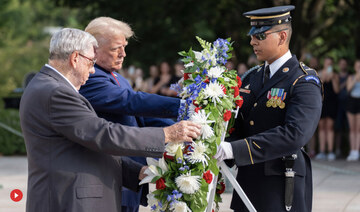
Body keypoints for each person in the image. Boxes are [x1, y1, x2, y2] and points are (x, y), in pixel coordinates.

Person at [19, 28, 201, 212]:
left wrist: (136, 172)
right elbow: (103, 134)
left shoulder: (50, 87)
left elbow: (85, 145)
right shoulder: (56, 92)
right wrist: (167, 134)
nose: (92, 70)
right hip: (69, 201)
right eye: (91, 62)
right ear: (75, 58)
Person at [215, 5, 322, 212]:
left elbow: (295, 134)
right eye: (253, 36)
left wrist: (233, 149)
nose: (252, 41)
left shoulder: (303, 80)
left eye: (260, 36)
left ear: (282, 37)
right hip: (247, 183)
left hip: (281, 185)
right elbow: (241, 124)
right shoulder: (252, 77)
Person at [79, 17, 183, 212]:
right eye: (115, 49)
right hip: (110, 178)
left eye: (124, 47)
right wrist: (184, 105)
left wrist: (185, 126)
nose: (123, 54)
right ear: (93, 49)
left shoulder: (116, 76)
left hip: (129, 178)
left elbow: (143, 118)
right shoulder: (91, 78)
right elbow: (131, 102)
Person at [316, 57, 339, 161]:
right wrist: (323, 78)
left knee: (329, 127)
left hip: (331, 103)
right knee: (321, 127)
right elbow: (318, 89)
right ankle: (321, 151)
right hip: (321, 102)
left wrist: (333, 78)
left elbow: (337, 90)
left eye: (330, 64)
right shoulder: (318, 74)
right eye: (326, 63)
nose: (328, 65)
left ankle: (330, 151)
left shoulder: (335, 75)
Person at [346, 59, 360, 161]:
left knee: (358, 129)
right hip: (351, 102)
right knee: (352, 128)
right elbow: (348, 89)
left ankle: (356, 150)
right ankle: (352, 150)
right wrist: (356, 79)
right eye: (357, 66)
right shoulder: (351, 77)